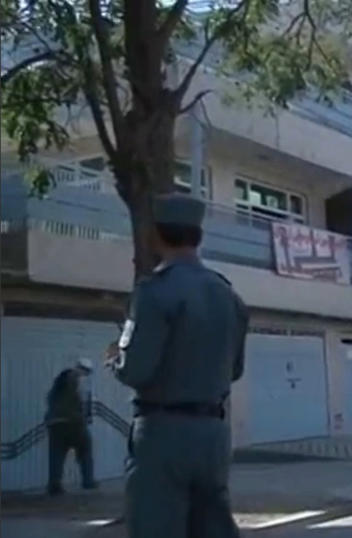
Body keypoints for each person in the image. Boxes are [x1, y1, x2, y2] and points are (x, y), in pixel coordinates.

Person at [105, 193, 248, 538]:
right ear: (196, 235)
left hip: (163, 432)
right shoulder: (227, 294)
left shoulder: (155, 291)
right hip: (213, 435)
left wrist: (115, 359)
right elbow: (235, 370)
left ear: (156, 235)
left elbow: (137, 370)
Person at [45, 358, 98, 496]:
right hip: (74, 422)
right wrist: (87, 416)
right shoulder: (81, 380)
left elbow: (49, 399)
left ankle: (54, 485)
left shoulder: (59, 380)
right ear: (85, 370)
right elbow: (84, 400)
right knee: (85, 449)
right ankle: (88, 481)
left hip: (55, 422)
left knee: (56, 455)